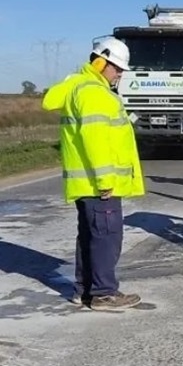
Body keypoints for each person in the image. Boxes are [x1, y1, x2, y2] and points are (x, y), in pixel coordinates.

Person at [42, 37, 145, 311]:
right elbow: (95, 141)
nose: (120, 74)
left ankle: (84, 290)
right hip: (99, 185)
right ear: (100, 63)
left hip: (85, 184)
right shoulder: (94, 94)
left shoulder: (79, 87)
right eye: (117, 68)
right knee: (106, 238)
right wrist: (105, 181)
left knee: (90, 236)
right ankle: (103, 294)